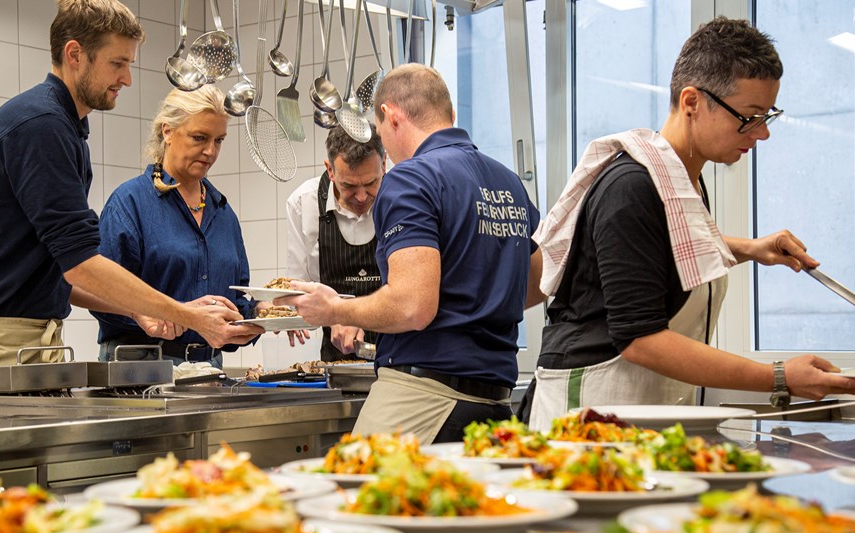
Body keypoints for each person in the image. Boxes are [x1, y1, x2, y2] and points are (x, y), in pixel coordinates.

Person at [521, 16, 855, 430]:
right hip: (589, 410)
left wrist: (750, 248)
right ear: (691, 103)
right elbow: (640, 340)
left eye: (767, 116)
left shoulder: (681, 180)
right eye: (749, 117)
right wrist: (779, 377)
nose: (761, 135)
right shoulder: (631, 187)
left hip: (640, 412)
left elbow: (662, 251)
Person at [0, 0, 260, 403]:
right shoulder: (40, 126)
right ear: (74, 55)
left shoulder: (66, 128)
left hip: (31, 341)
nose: (128, 79)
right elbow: (82, 264)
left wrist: (139, 309)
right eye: (118, 63)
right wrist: (187, 315)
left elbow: (61, 270)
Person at [277, 64, 545, 444]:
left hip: (423, 398)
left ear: (389, 116)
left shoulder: (411, 177)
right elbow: (539, 281)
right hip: (495, 404)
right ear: (449, 114)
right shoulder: (507, 181)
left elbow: (411, 307)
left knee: (354, 493)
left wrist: (335, 309)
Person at [92, 85, 265, 366]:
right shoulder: (130, 204)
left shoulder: (223, 213)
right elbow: (99, 290)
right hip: (141, 369)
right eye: (199, 137)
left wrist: (263, 314)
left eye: (219, 140)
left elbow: (235, 297)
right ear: (167, 131)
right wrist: (155, 312)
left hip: (208, 371)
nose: (210, 151)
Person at [284, 125, 386, 360]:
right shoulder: (303, 204)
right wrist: (334, 317)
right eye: (349, 186)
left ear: (383, 165)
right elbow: (298, 290)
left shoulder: (404, 198)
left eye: (371, 183)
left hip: (401, 360)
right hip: (337, 360)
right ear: (330, 170)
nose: (361, 197)